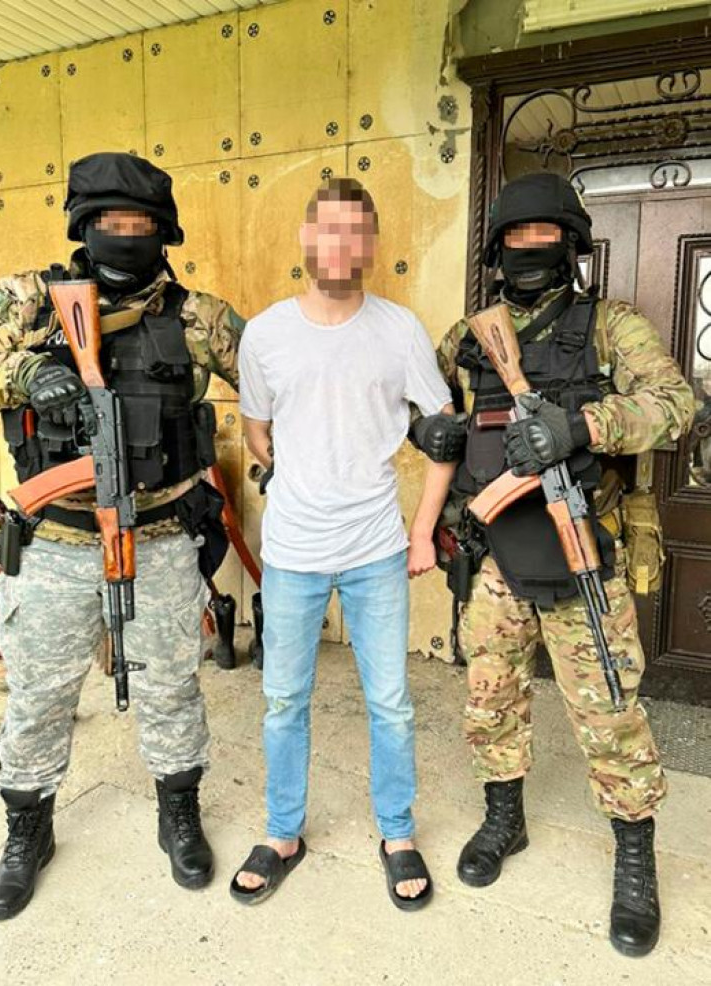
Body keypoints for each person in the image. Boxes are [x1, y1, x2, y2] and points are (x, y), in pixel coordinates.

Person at [0, 152, 245, 920]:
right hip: (55, 542)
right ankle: (27, 833)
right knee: (39, 695)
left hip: (157, 537)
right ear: (84, 226)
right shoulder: (28, 302)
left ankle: (179, 812)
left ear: (164, 230)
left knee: (171, 685)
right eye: (110, 221)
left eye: (140, 222)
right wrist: (27, 376)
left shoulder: (198, 317)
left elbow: (277, 376)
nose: (125, 234)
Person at [427, 172, 694, 956]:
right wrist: (426, 433)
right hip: (495, 558)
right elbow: (431, 404)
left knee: (609, 713)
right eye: (517, 236)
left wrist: (581, 427)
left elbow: (677, 406)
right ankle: (502, 819)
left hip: (582, 555)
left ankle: (635, 858)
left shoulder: (611, 326)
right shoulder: (468, 336)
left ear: (571, 244)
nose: (530, 248)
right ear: (496, 248)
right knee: (491, 698)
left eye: (546, 235)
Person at [230, 177, 457, 910]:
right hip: (292, 551)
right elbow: (256, 427)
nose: (340, 244)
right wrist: (289, 468)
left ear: (371, 245)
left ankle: (397, 833)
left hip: (375, 549)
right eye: (328, 229)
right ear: (306, 237)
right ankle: (282, 833)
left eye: (355, 232)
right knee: (282, 701)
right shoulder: (265, 335)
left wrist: (421, 531)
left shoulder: (400, 330)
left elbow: (445, 435)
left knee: (390, 702)